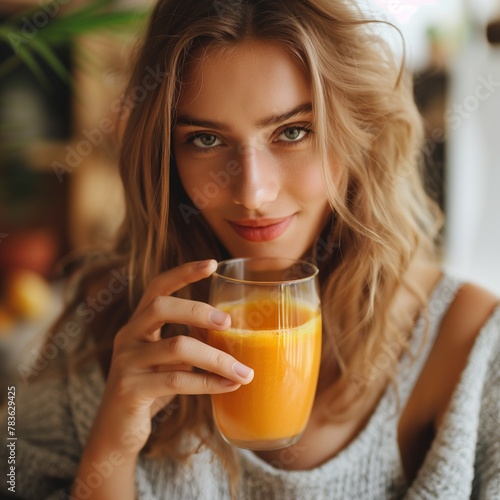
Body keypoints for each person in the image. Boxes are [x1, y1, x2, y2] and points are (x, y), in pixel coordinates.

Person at [2, 0, 499, 498]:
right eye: (205, 139)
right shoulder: (106, 322)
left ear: (360, 133)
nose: (253, 193)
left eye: (292, 131)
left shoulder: (474, 348)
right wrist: (112, 445)